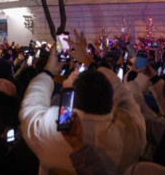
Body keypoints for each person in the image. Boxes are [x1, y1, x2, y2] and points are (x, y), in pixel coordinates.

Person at [20, 30, 145, 175]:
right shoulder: (131, 133)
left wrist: (49, 71)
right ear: (111, 98)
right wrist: (89, 61)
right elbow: (123, 94)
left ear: (73, 99)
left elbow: (30, 106)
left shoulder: (50, 130)